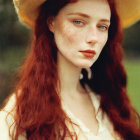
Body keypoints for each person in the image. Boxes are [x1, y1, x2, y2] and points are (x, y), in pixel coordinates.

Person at [0, 0, 140, 139]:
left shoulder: (109, 100)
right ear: (51, 23)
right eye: (78, 22)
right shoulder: (21, 112)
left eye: (102, 27)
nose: (93, 38)